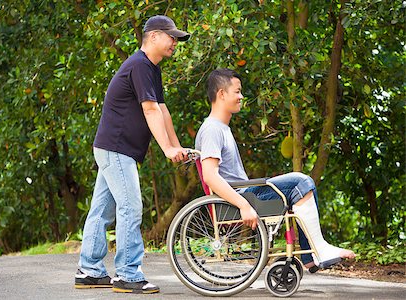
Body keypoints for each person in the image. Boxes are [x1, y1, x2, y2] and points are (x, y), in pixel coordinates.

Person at [195, 68, 355, 270]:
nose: (241, 96)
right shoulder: (212, 129)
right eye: (237, 91)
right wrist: (244, 205)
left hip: (243, 193)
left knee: (303, 184)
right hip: (237, 199)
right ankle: (318, 250)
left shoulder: (221, 128)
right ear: (221, 94)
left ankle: (311, 255)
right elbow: (210, 176)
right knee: (302, 182)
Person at [75, 16, 190, 294]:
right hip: (116, 147)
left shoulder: (151, 69)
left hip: (115, 148)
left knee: (102, 210)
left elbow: (162, 110)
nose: (174, 42)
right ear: (152, 37)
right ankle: (128, 274)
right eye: (170, 37)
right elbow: (149, 110)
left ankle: (89, 271)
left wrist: (177, 145)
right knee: (130, 207)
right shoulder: (139, 65)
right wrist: (167, 149)